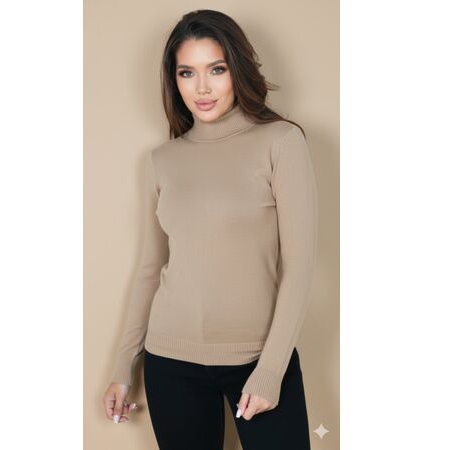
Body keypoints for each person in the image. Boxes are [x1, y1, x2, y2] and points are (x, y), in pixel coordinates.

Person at [102, 9, 318, 449]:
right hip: (170, 363)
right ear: (174, 79)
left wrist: (271, 370)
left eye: (216, 69)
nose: (201, 88)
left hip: (258, 358)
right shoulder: (162, 160)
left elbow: (299, 267)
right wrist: (124, 367)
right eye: (187, 72)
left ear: (237, 69)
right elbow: (150, 269)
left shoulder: (281, 142)